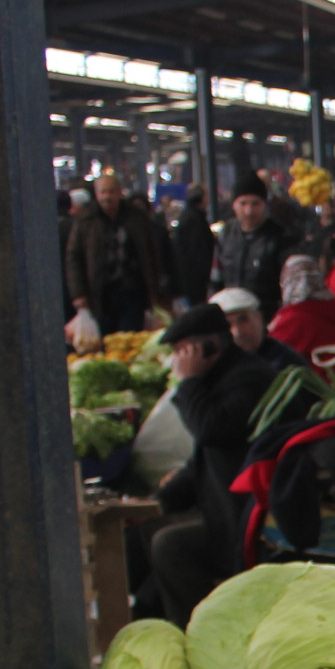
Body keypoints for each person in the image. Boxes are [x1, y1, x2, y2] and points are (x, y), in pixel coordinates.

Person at [135, 303, 279, 624]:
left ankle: (198, 632)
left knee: (169, 546)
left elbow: (210, 428)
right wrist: (156, 502)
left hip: (246, 517)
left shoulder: (248, 378)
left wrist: (188, 383)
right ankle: (152, 619)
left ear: (206, 347)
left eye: (181, 351)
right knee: (143, 532)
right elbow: (201, 461)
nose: (177, 361)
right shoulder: (220, 379)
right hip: (224, 508)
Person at [65, 172, 174, 336]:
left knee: (130, 339)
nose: (107, 197)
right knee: (105, 339)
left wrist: (156, 290)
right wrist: (78, 295)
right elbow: (74, 259)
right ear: (96, 194)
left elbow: (151, 253)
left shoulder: (135, 218)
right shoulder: (86, 221)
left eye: (111, 192)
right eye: (103, 192)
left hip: (132, 292)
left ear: (119, 192)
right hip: (99, 294)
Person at [210, 173, 288, 312]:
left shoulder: (280, 237)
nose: (249, 211)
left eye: (255, 203)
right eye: (243, 203)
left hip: (266, 314)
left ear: (264, 204)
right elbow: (216, 279)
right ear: (234, 205)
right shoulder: (225, 235)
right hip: (230, 314)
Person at [209, 287, 310, 373]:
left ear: (260, 319)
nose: (237, 333)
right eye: (227, 324)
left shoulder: (285, 363)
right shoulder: (208, 366)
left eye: (244, 320)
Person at [172, 186, 215, 307]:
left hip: (190, 276)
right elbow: (197, 249)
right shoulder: (195, 219)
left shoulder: (188, 216)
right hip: (194, 278)